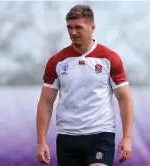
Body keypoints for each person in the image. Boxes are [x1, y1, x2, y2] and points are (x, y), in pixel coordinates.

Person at [36, 5, 133, 166]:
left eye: (78, 28)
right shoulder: (57, 61)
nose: (73, 32)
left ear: (92, 27)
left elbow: (125, 98)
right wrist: (41, 141)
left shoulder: (109, 58)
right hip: (67, 136)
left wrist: (127, 137)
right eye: (69, 27)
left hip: (101, 134)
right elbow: (46, 102)